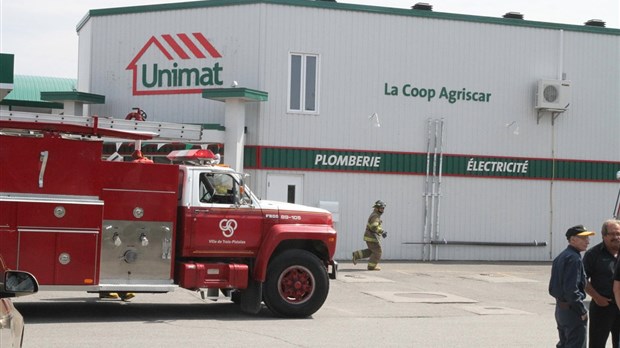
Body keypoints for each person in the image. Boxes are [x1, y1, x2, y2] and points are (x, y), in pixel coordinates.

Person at [549, 225, 595, 348]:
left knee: (564, 343)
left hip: (561, 309)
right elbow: (572, 289)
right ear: (573, 239)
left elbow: (553, 288)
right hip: (572, 311)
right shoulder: (574, 258)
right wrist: (581, 310)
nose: (588, 241)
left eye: (588, 238)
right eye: (584, 238)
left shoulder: (562, 256)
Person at [584, 219, 620, 348]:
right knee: (597, 344)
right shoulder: (593, 254)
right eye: (612, 234)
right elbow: (583, 279)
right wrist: (597, 298)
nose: (616, 237)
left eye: (619, 233)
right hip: (602, 307)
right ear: (604, 235)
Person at [352, 200, 387, 271]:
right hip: (372, 237)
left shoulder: (375, 214)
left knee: (372, 251)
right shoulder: (375, 216)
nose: (382, 210)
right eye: (381, 208)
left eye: (383, 208)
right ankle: (371, 267)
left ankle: (356, 255)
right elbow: (374, 226)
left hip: (370, 237)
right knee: (378, 252)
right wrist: (382, 231)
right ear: (376, 208)